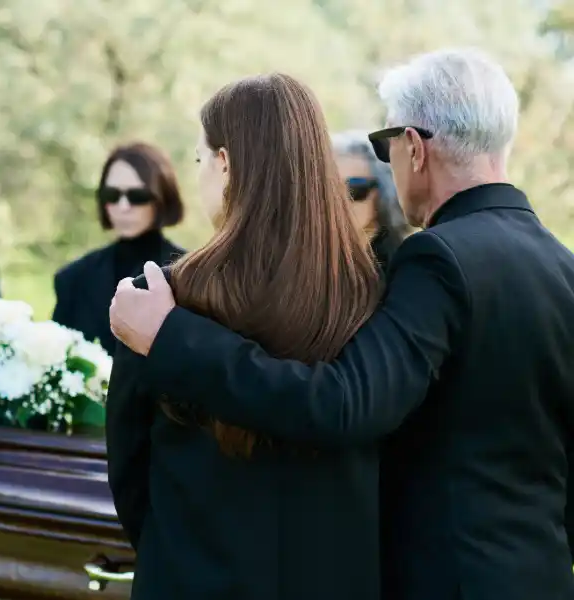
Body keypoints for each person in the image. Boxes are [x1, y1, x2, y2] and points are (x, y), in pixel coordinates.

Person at [109, 49, 574, 600]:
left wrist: (169, 337)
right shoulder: (562, 267)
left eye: (386, 148)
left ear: (415, 148)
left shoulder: (435, 262)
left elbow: (341, 404)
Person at [107, 74, 382, 600]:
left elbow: (130, 469)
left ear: (226, 164)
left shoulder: (162, 299)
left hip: (192, 577)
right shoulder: (373, 291)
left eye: (198, 160)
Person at [52, 142, 184, 356]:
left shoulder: (191, 275)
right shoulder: (73, 279)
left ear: (161, 198)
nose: (123, 207)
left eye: (137, 196)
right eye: (112, 195)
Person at [333, 130, 411, 272]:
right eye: (330, 190)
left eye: (355, 189)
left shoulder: (406, 264)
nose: (341, 202)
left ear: (383, 192)